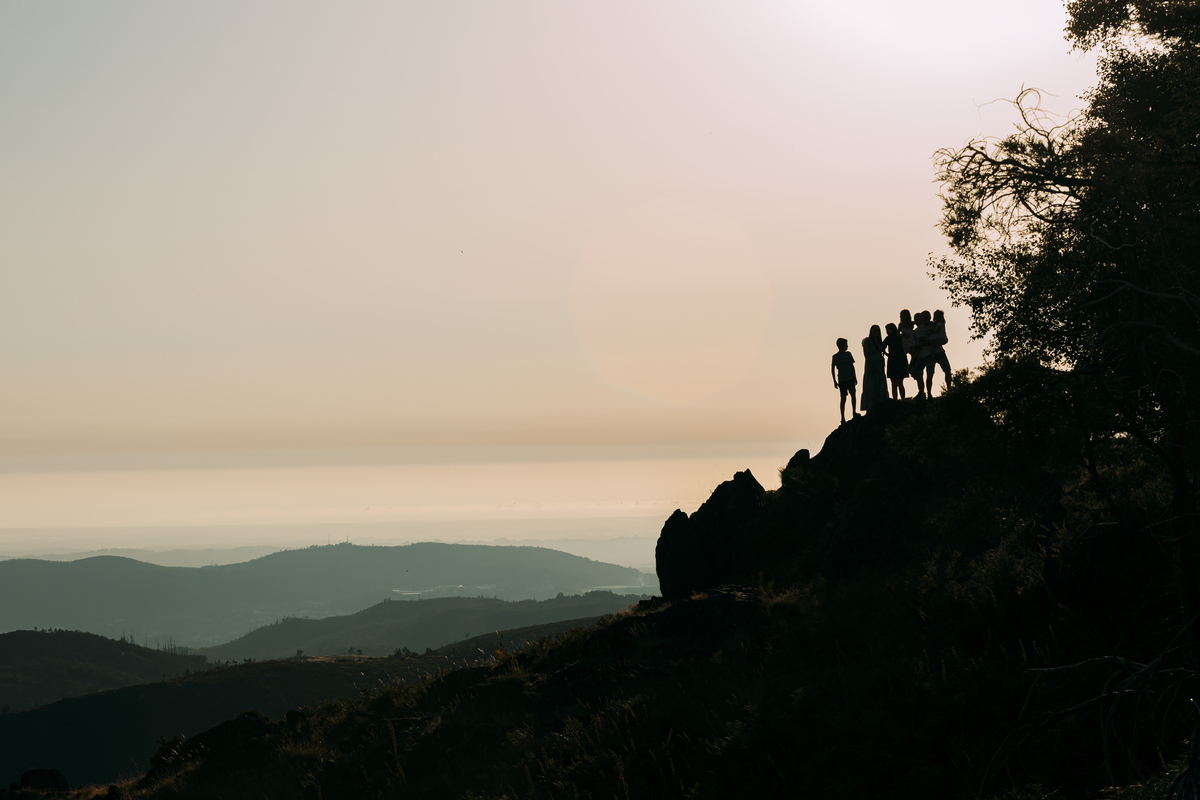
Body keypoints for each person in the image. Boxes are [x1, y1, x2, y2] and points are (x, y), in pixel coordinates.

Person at [924, 309, 952, 395]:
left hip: (939, 350)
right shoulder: (933, 325)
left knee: (947, 370)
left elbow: (941, 334)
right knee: (930, 374)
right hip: (931, 351)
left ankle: (949, 389)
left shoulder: (939, 324)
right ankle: (929, 393)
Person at [860, 325, 888, 412]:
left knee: (880, 385)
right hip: (872, 366)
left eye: (877, 330)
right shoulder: (867, 341)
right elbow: (866, 355)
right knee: (871, 386)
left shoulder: (879, 342)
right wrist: (870, 366)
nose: (876, 332)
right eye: (874, 330)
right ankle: (870, 407)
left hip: (880, 367)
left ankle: (880, 405)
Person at [831, 338, 859, 423]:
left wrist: (855, 377)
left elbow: (852, 366)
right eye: (846, 345)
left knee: (853, 394)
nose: (847, 346)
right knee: (843, 398)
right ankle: (842, 417)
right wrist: (834, 381)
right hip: (842, 380)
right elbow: (832, 369)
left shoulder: (848, 354)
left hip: (850, 378)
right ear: (841, 346)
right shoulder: (835, 357)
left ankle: (854, 412)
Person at [912, 310, 934, 399]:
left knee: (929, 374)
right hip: (920, 354)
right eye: (916, 320)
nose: (917, 321)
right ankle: (921, 392)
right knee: (917, 372)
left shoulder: (928, 328)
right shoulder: (915, 331)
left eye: (918, 319)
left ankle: (928, 393)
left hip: (927, 353)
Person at [883, 322, 907, 399]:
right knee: (894, 383)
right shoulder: (888, 339)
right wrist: (887, 354)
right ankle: (895, 400)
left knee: (900, 382)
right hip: (893, 361)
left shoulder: (899, 337)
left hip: (900, 361)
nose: (887, 332)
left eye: (888, 330)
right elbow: (882, 347)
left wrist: (887, 354)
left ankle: (902, 399)